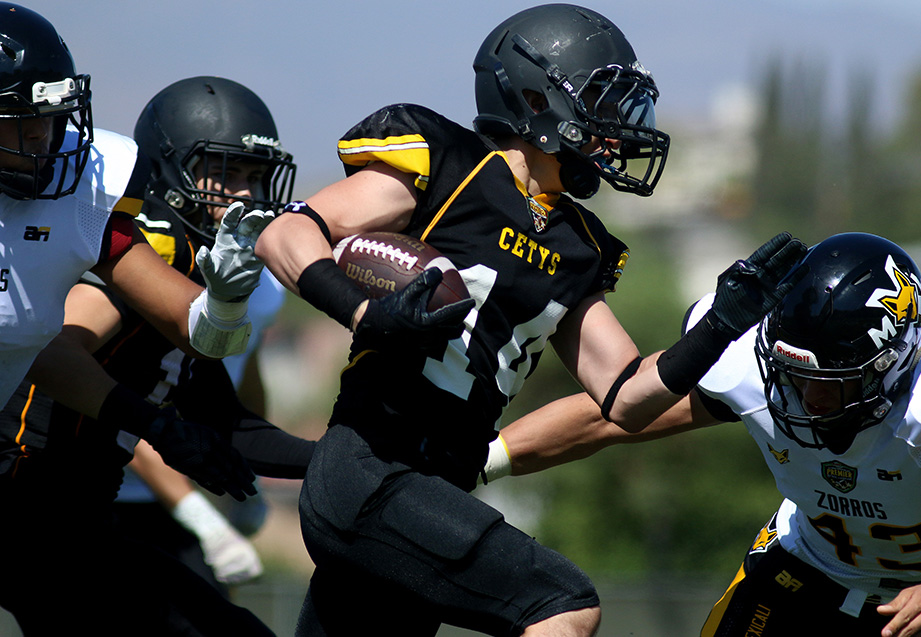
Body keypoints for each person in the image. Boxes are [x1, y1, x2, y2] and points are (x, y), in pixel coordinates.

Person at [254, 4, 806, 635]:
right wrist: (362, 314)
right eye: (604, 102)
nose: (620, 127)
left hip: (438, 491)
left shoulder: (581, 246)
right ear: (539, 99)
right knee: (562, 604)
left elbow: (626, 397)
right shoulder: (448, 163)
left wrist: (718, 329)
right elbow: (287, 232)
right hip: (371, 470)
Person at [492, 232, 921, 637]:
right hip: (806, 568)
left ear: (890, 363)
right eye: (794, 374)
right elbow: (604, 418)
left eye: (830, 379)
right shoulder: (757, 372)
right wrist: (482, 460)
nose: (808, 397)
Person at [0, 2, 259, 500]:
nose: (42, 134)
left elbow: (200, 334)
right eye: (23, 117)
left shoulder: (77, 203)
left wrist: (225, 301)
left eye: (53, 116)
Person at [111, 75, 298, 593]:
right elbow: (131, 397)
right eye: (226, 173)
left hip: (173, 479)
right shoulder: (144, 261)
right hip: (91, 488)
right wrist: (203, 520)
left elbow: (238, 387)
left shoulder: (250, 280)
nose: (245, 192)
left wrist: (254, 476)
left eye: (254, 175)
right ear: (170, 172)